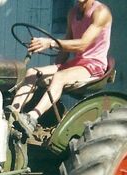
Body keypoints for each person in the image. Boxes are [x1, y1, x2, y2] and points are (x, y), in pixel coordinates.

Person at [11, 0, 112, 137]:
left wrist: (50, 43)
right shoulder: (73, 12)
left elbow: (82, 44)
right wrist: (56, 66)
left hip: (93, 65)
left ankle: (31, 118)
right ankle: (12, 114)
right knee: (32, 73)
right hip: (76, 63)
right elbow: (67, 43)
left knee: (60, 77)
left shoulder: (100, 12)